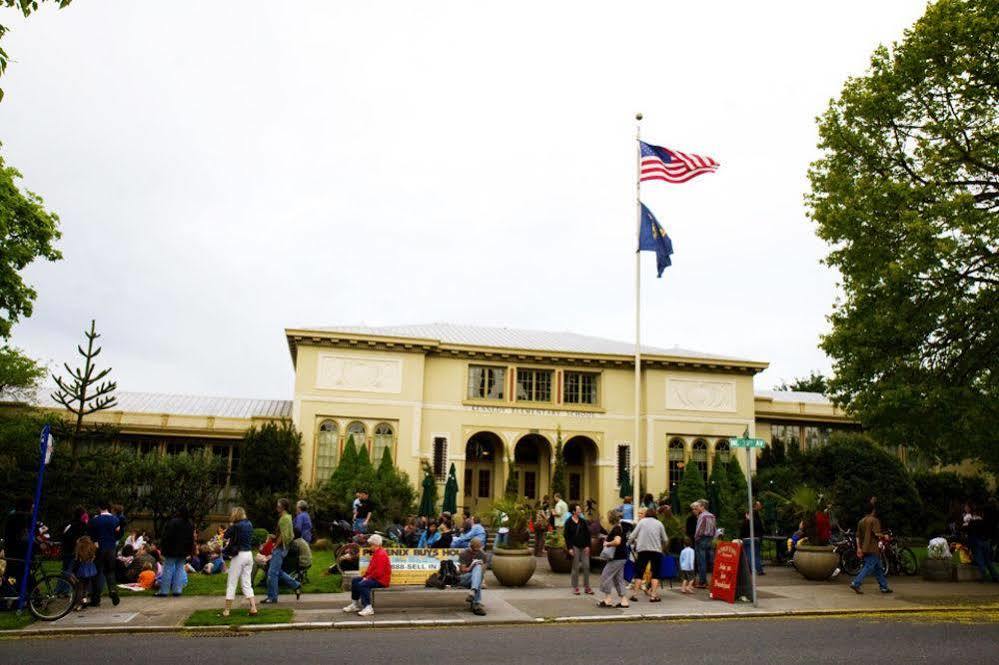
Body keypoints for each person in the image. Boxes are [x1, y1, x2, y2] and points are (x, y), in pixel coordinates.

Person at [263, 497, 302, 603]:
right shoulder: (287, 517)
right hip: (282, 547)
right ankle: (296, 585)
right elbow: (283, 534)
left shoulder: (284, 518)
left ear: (282, 507)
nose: (276, 507)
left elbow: (283, 535)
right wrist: (273, 537)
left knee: (272, 573)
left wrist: (275, 545)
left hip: (280, 548)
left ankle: (272, 597)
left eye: (278, 505)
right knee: (277, 571)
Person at [627, 507, 669, 602]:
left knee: (639, 572)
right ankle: (653, 596)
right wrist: (663, 548)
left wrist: (628, 544)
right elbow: (665, 539)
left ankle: (635, 595)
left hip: (642, 551)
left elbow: (633, 535)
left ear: (646, 514)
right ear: (655, 515)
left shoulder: (642, 522)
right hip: (656, 551)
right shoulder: (659, 523)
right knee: (655, 573)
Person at [221, 506, 258, 617]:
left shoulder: (235, 526)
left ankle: (227, 610)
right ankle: (253, 608)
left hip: (239, 556)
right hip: (249, 555)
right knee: (246, 583)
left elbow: (225, 536)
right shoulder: (249, 524)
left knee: (232, 582)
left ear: (235, 515)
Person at [343, 533, 389, 616]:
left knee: (363, 584)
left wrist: (367, 578)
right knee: (355, 581)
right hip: (376, 578)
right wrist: (365, 577)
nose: (369, 546)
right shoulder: (377, 553)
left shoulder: (381, 554)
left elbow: (379, 572)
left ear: (375, 544)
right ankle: (355, 604)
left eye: (370, 544)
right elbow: (371, 569)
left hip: (381, 580)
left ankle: (368, 607)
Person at [850, 502, 892, 594]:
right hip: (873, 548)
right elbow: (876, 533)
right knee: (868, 567)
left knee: (878, 568)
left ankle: (883, 586)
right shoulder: (874, 520)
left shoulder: (861, 521)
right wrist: (885, 536)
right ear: (873, 511)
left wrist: (859, 548)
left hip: (864, 548)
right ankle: (856, 583)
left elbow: (858, 536)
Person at [88, 499, 121, 607]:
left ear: (99, 508)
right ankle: (112, 590)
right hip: (111, 547)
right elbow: (118, 534)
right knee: (110, 571)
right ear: (108, 508)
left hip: (99, 548)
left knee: (97, 573)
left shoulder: (95, 520)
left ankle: (95, 598)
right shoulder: (115, 519)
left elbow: (91, 534)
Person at [157, 507, 195, 597]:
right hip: (183, 550)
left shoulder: (173, 522)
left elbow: (167, 536)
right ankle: (177, 590)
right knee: (180, 569)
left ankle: (164, 591)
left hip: (171, 549)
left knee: (168, 569)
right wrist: (189, 550)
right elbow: (191, 538)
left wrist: (163, 547)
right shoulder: (189, 524)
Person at [597, 510, 629, 607]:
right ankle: (624, 601)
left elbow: (617, 541)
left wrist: (607, 543)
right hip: (622, 557)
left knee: (605, 576)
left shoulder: (616, 528)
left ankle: (608, 600)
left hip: (616, 558)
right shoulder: (621, 527)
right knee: (618, 579)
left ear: (611, 518)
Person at [964, 503, 999, 583]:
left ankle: (985, 576)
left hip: (977, 541)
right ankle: (995, 576)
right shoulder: (988, 522)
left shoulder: (974, 522)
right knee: (988, 561)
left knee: (980, 560)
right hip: (986, 541)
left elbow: (968, 530)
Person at [564, 503, 592, 595]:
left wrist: (588, 546)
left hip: (584, 547)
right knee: (575, 567)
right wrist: (570, 548)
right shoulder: (568, 522)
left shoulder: (583, 521)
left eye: (580, 509)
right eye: (578, 509)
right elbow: (566, 536)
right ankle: (575, 587)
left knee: (586, 566)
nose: (580, 510)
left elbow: (588, 534)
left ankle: (587, 586)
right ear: (573, 511)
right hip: (575, 546)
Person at [456, 537, 487, 616]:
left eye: (477, 549)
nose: (475, 551)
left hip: (475, 580)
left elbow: (482, 572)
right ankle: (476, 603)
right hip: (464, 579)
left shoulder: (482, 554)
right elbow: (462, 571)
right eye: (474, 549)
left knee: (478, 568)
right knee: (477, 571)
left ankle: (473, 592)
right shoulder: (464, 553)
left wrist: (477, 566)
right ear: (470, 546)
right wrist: (471, 567)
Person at [692, 499, 717, 589]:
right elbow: (714, 529)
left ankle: (703, 581)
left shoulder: (702, 516)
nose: (697, 508)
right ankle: (715, 580)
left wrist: (696, 538)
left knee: (701, 561)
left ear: (702, 507)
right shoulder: (712, 516)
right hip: (710, 539)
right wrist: (713, 538)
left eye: (698, 506)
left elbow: (699, 529)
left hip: (701, 539)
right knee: (711, 560)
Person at [71, 535, 98, 611]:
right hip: (89, 572)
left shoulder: (79, 552)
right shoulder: (91, 551)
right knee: (85, 588)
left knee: (79, 588)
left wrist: (73, 572)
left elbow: (76, 564)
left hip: (80, 572)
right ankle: (84, 601)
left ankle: (78, 604)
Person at [61, 506, 89, 575]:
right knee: (75, 572)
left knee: (66, 570)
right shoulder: (82, 525)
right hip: (76, 551)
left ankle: (64, 583)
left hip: (66, 550)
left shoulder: (68, 523)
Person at [740, 500, 765, 575]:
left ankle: (750, 570)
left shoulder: (747, 521)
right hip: (756, 538)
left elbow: (743, 530)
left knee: (749, 555)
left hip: (748, 538)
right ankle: (759, 570)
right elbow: (760, 527)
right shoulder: (756, 518)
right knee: (756, 555)